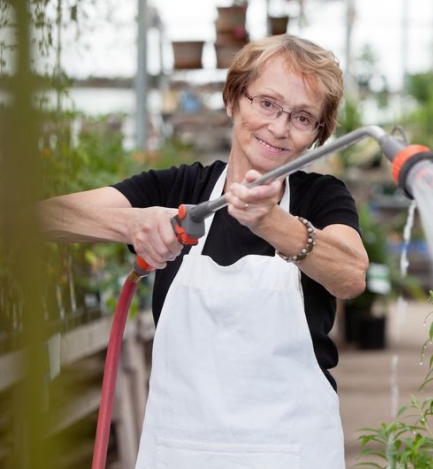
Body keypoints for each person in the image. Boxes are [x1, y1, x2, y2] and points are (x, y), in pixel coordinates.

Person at [39, 34, 368, 469]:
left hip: (291, 452)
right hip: (179, 452)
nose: (279, 127)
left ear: (316, 135)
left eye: (302, 117)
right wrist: (132, 222)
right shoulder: (179, 188)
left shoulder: (320, 198)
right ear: (234, 99)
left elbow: (351, 273)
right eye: (266, 103)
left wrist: (272, 222)